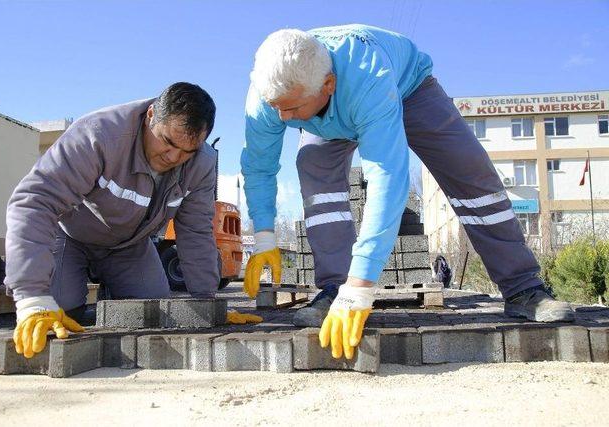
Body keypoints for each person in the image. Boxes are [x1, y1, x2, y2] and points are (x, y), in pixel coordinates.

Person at [240, 25, 574, 360]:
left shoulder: (367, 74)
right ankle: (332, 289)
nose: (283, 118)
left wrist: (362, 287)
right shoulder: (269, 97)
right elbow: (258, 166)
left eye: (292, 108)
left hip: (408, 89)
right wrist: (266, 236)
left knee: (469, 170)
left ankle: (523, 289)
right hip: (330, 114)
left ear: (328, 85)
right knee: (313, 168)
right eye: (277, 107)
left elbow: (388, 177)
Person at [6, 82, 246, 359]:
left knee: (154, 309)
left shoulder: (202, 164)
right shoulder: (98, 135)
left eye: (187, 151)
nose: (174, 157)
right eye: (167, 142)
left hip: (128, 247)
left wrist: (207, 303)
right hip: (71, 237)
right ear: (151, 115)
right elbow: (35, 201)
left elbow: (195, 230)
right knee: (60, 310)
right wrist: (32, 297)